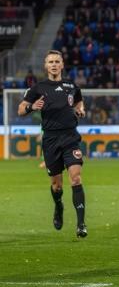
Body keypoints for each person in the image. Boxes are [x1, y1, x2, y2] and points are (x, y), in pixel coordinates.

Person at [18, 50, 87, 238]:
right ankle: (58, 205)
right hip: (50, 140)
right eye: (51, 62)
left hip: (70, 137)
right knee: (57, 186)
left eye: (57, 61)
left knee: (76, 178)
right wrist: (32, 107)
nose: (54, 65)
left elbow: (79, 103)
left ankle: (81, 224)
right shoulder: (38, 88)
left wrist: (80, 110)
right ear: (46, 66)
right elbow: (21, 109)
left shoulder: (72, 86)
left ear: (62, 65)